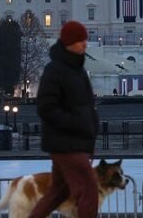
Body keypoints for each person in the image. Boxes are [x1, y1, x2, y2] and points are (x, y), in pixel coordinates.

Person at [29, 21, 99, 218]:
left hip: (75, 142)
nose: (85, 44)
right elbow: (45, 107)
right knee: (88, 190)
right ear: (69, 43)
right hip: (66, 143)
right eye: (80, 40)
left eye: (85, 39)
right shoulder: (56, 70)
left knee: (58, 193)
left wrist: (89, 135)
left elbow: (86, 107)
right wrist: (75, 125)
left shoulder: (77, 70)